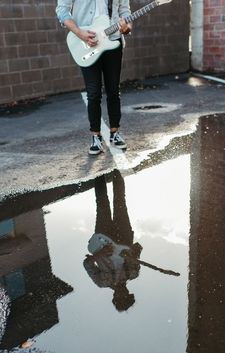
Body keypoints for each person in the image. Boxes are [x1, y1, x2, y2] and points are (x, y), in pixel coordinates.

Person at [56, 1, 132, 155]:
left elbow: (125, 11)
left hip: (113, 40)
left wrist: (127, 27)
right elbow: (62, 10)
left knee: (113, 90)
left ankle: (115, 133)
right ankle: (95, 137)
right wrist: (79, 33)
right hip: (87, 40)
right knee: (94, 92)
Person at [83, 170, 142, 311]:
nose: (122, 294)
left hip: (103, 238)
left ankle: (99, 171)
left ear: (114, 298)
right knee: (120, 200)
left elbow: (87, 264)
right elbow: (138, 247)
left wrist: (100, 254)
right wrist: (131, 255)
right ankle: (116, 169)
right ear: (129, 293)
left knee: (102, 203)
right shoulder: (133, 273)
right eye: (126, 296)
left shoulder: (101, 282)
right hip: (124, 236)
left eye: (120, 298)